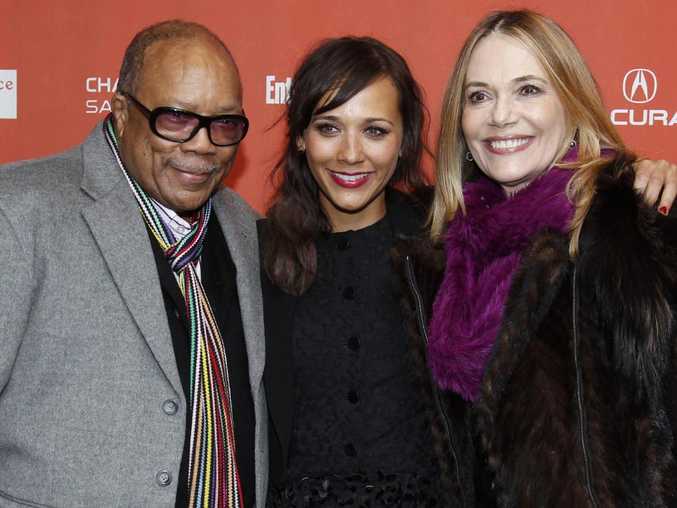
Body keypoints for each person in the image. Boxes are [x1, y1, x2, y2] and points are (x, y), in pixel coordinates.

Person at [403, 9, 677, 506]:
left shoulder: (628, 227)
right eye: (479, 96)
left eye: (528, 89)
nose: (501, 115)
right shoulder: (444, 251)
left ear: (571, 102)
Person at [0, 20, 267, 507]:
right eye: (176, 118)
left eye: (224, 124)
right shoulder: (19, 213)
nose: (203, 144)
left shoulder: (245, 227)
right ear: (122, 112)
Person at [259, 36, 478, 507]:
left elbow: (549, 197)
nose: (351, 154)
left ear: (404, 140)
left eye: (375, 130)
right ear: (300, 136)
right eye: (329, 128)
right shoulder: (254, 253)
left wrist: (635, 179)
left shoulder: (446, 242)